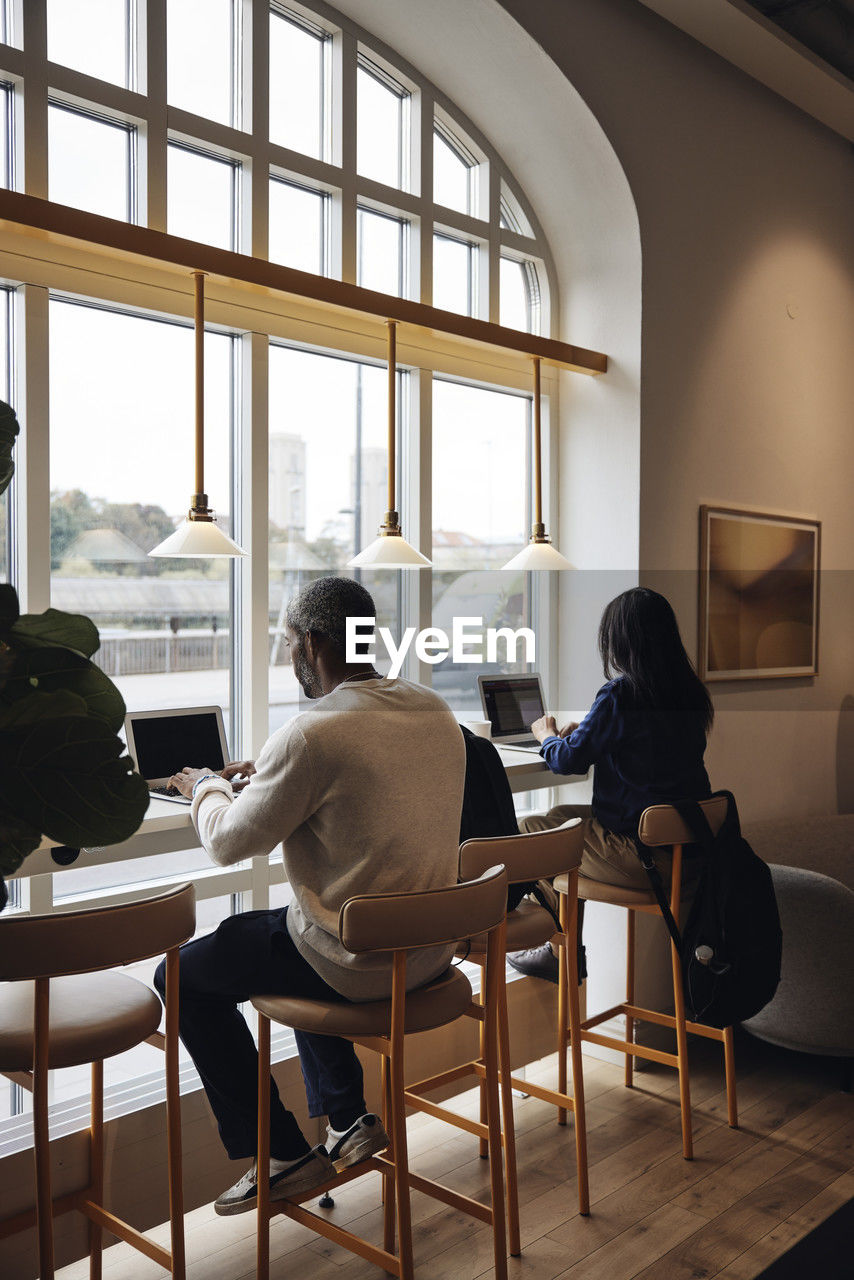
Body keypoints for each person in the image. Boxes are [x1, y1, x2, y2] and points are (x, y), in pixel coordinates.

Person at [153, 577, 466, 1214]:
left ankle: (281, 1153)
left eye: (290, 638)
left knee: (179, 976)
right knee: (294, 928)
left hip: (358, 964)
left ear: (314, 642)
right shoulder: (434, 711)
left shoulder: (312, 733)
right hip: (430, 952)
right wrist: (268, 777)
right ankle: (349, 1121)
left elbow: (227, 843)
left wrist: (207, 786)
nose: (288, 650)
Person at [508, 587, 713, 983]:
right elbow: (645, 751)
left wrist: (546, 735)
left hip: (645, 860)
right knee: (557, 816)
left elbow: (567, 760)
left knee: (531, 833)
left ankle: (557, 950)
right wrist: (586, 733)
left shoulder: (623, 693)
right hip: (689, 857)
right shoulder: (688, 692)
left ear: (619, 641)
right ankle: (562, 948)